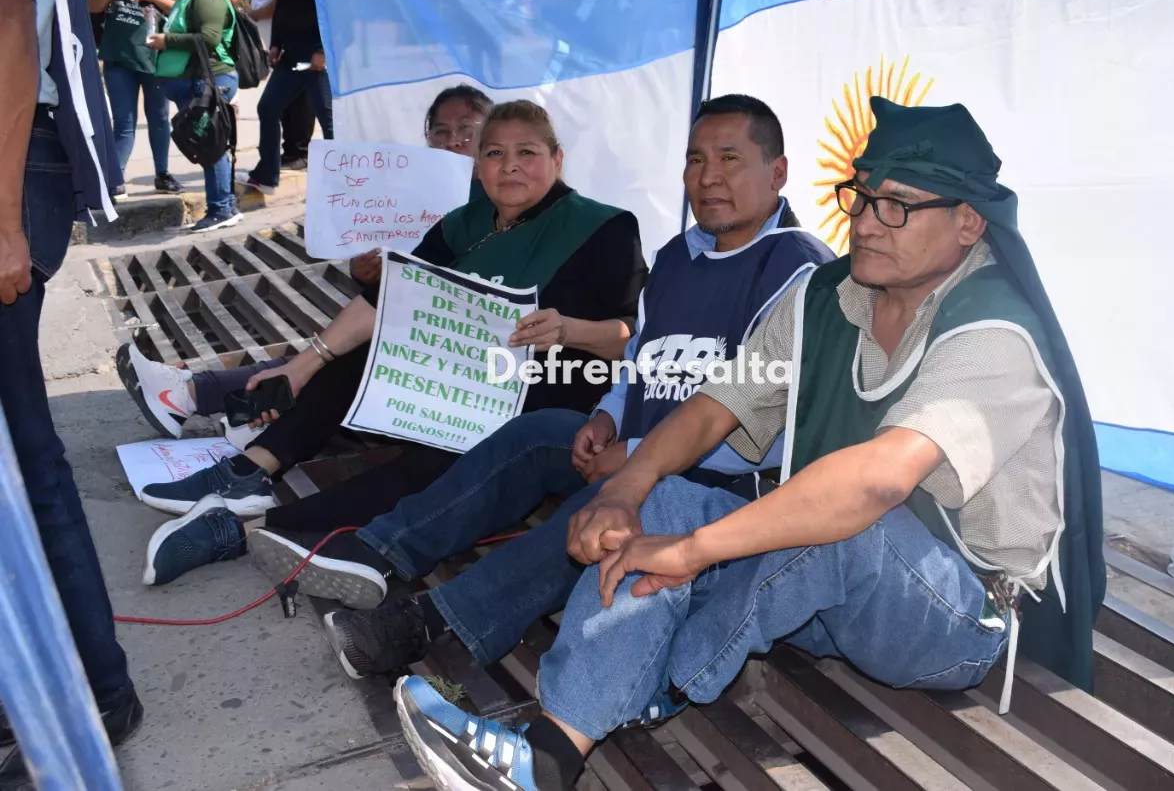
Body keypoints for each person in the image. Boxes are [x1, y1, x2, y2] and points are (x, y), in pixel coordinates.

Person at [391, 96, 1108, 791]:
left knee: (838, 519)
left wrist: (697, 550)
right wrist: (624, 491)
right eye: (860, 198)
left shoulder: (994, 333)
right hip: (826, 588)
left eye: (898, 206)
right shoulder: (827, 295)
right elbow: (713, 408)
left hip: (951, 614)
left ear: (967, 223)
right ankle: (547, 756)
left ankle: (663, 678)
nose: (865, 222)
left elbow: (875, 483)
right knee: (667, 499)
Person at [141, 97, 835, 674]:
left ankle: (429, 624)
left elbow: (765, 429)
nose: (708, 176)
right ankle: (371, 547)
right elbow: (641, 361)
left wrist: (635, 449)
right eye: (695, 159)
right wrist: (606, 414)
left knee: (591, 519)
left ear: (777, 171)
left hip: (714, 484)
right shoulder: (678, 257)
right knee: (531, 437)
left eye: (730, 159)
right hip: (610, 438)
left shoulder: (798, 272)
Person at [137, 101, 646, 548]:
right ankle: (251, 471)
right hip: (461, 375)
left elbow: (633, 336)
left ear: (556, 160)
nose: (510, 166)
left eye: (527, 153)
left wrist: (569, 329)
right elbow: (387, 300)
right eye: (494, 153)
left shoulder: (604, 228)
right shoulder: (463, 223)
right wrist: (302, 365)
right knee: (360, 354)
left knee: (443, 456)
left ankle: (266, 528)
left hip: (551, 391)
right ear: (480, 164)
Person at [115, 83, 495, 440]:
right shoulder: (415, 191)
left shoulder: (499, 196)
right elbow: (393, 279)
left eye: (466, 128)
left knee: (342, 356)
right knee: (336, 350)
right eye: (440, 131)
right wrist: (365, 274)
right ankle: (203, 397)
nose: (453, 141)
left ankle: (208, 399)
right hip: (399, 326)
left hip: (453, 347)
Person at [0, 0, 143, 782]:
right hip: (20, 170)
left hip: (15, 172)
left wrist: (4, 218)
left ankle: (87, 689)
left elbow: (13, 21)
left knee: (23, 447)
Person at [148, 0, 244, 232]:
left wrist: (167, 41)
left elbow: (210, 38)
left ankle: (221, 209)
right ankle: (224, 207)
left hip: (210, 80)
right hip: (194, 82)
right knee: (208, 146)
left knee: (210, 146)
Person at [235, 0, 334, 195]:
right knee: (268, 107)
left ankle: (348, 180)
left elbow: (331, 11)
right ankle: (266, 175)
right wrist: (276, 44)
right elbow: (282, 10)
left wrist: (323, 52)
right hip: (292, 57)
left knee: (328, 119)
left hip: (314, 58)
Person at [86, 0, 182, 197]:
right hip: (119, 58)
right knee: (124, 122)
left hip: (157, 60)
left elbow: (183, 10)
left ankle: (162, 173)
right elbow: (92, 4)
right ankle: (115, 180)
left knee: (160, 118)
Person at [225, 0, 313, 170]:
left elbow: (280, 4)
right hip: (282, 46)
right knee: (278, 105)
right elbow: (282, 4)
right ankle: (287, 153)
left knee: (301, 102)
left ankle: (302, 152)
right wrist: (274, 43)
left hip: (302, 48)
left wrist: (251, 15)